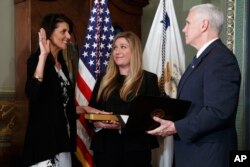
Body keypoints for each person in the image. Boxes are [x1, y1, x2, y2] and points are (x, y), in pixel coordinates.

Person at [147, 3, 241, 167]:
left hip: (209, 157)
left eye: (188, 23)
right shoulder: (203, 59)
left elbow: (218, 112)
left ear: (204, 25)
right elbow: (193, 104)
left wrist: (176, 127)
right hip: (193, 154)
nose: (184, 29)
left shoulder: (220, 59)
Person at [23, 13, 97, 167]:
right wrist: (43, 56)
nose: (68, 36)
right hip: (44, 142)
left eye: (69, 31)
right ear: (50, 32)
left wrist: (83, 108)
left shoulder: (62, 64)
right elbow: (32, 93)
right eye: (63, 31)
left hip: (63, 139)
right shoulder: (36, 60)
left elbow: (59, 104)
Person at [80, 31, 160, 167]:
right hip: (106, 150)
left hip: (135, 151)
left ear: (134, 51)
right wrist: (96, 125)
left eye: (123, 47)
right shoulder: (103, 80)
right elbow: (91, 113)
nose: (117, 51)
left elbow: (152, 119)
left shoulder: (148, 79)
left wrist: (122, 124)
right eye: (115, 47)